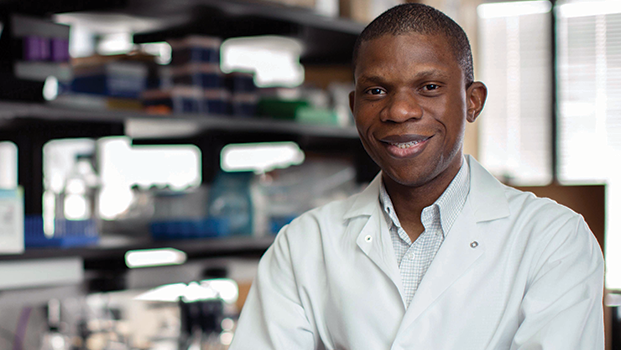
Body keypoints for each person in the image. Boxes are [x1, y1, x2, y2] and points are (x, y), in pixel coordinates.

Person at [229, 3, 605, 349]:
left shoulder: (554, 239)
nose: (400, 111)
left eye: (429, 87)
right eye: (376, 90)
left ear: (473, 101)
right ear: (353, 105)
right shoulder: (303, 245)